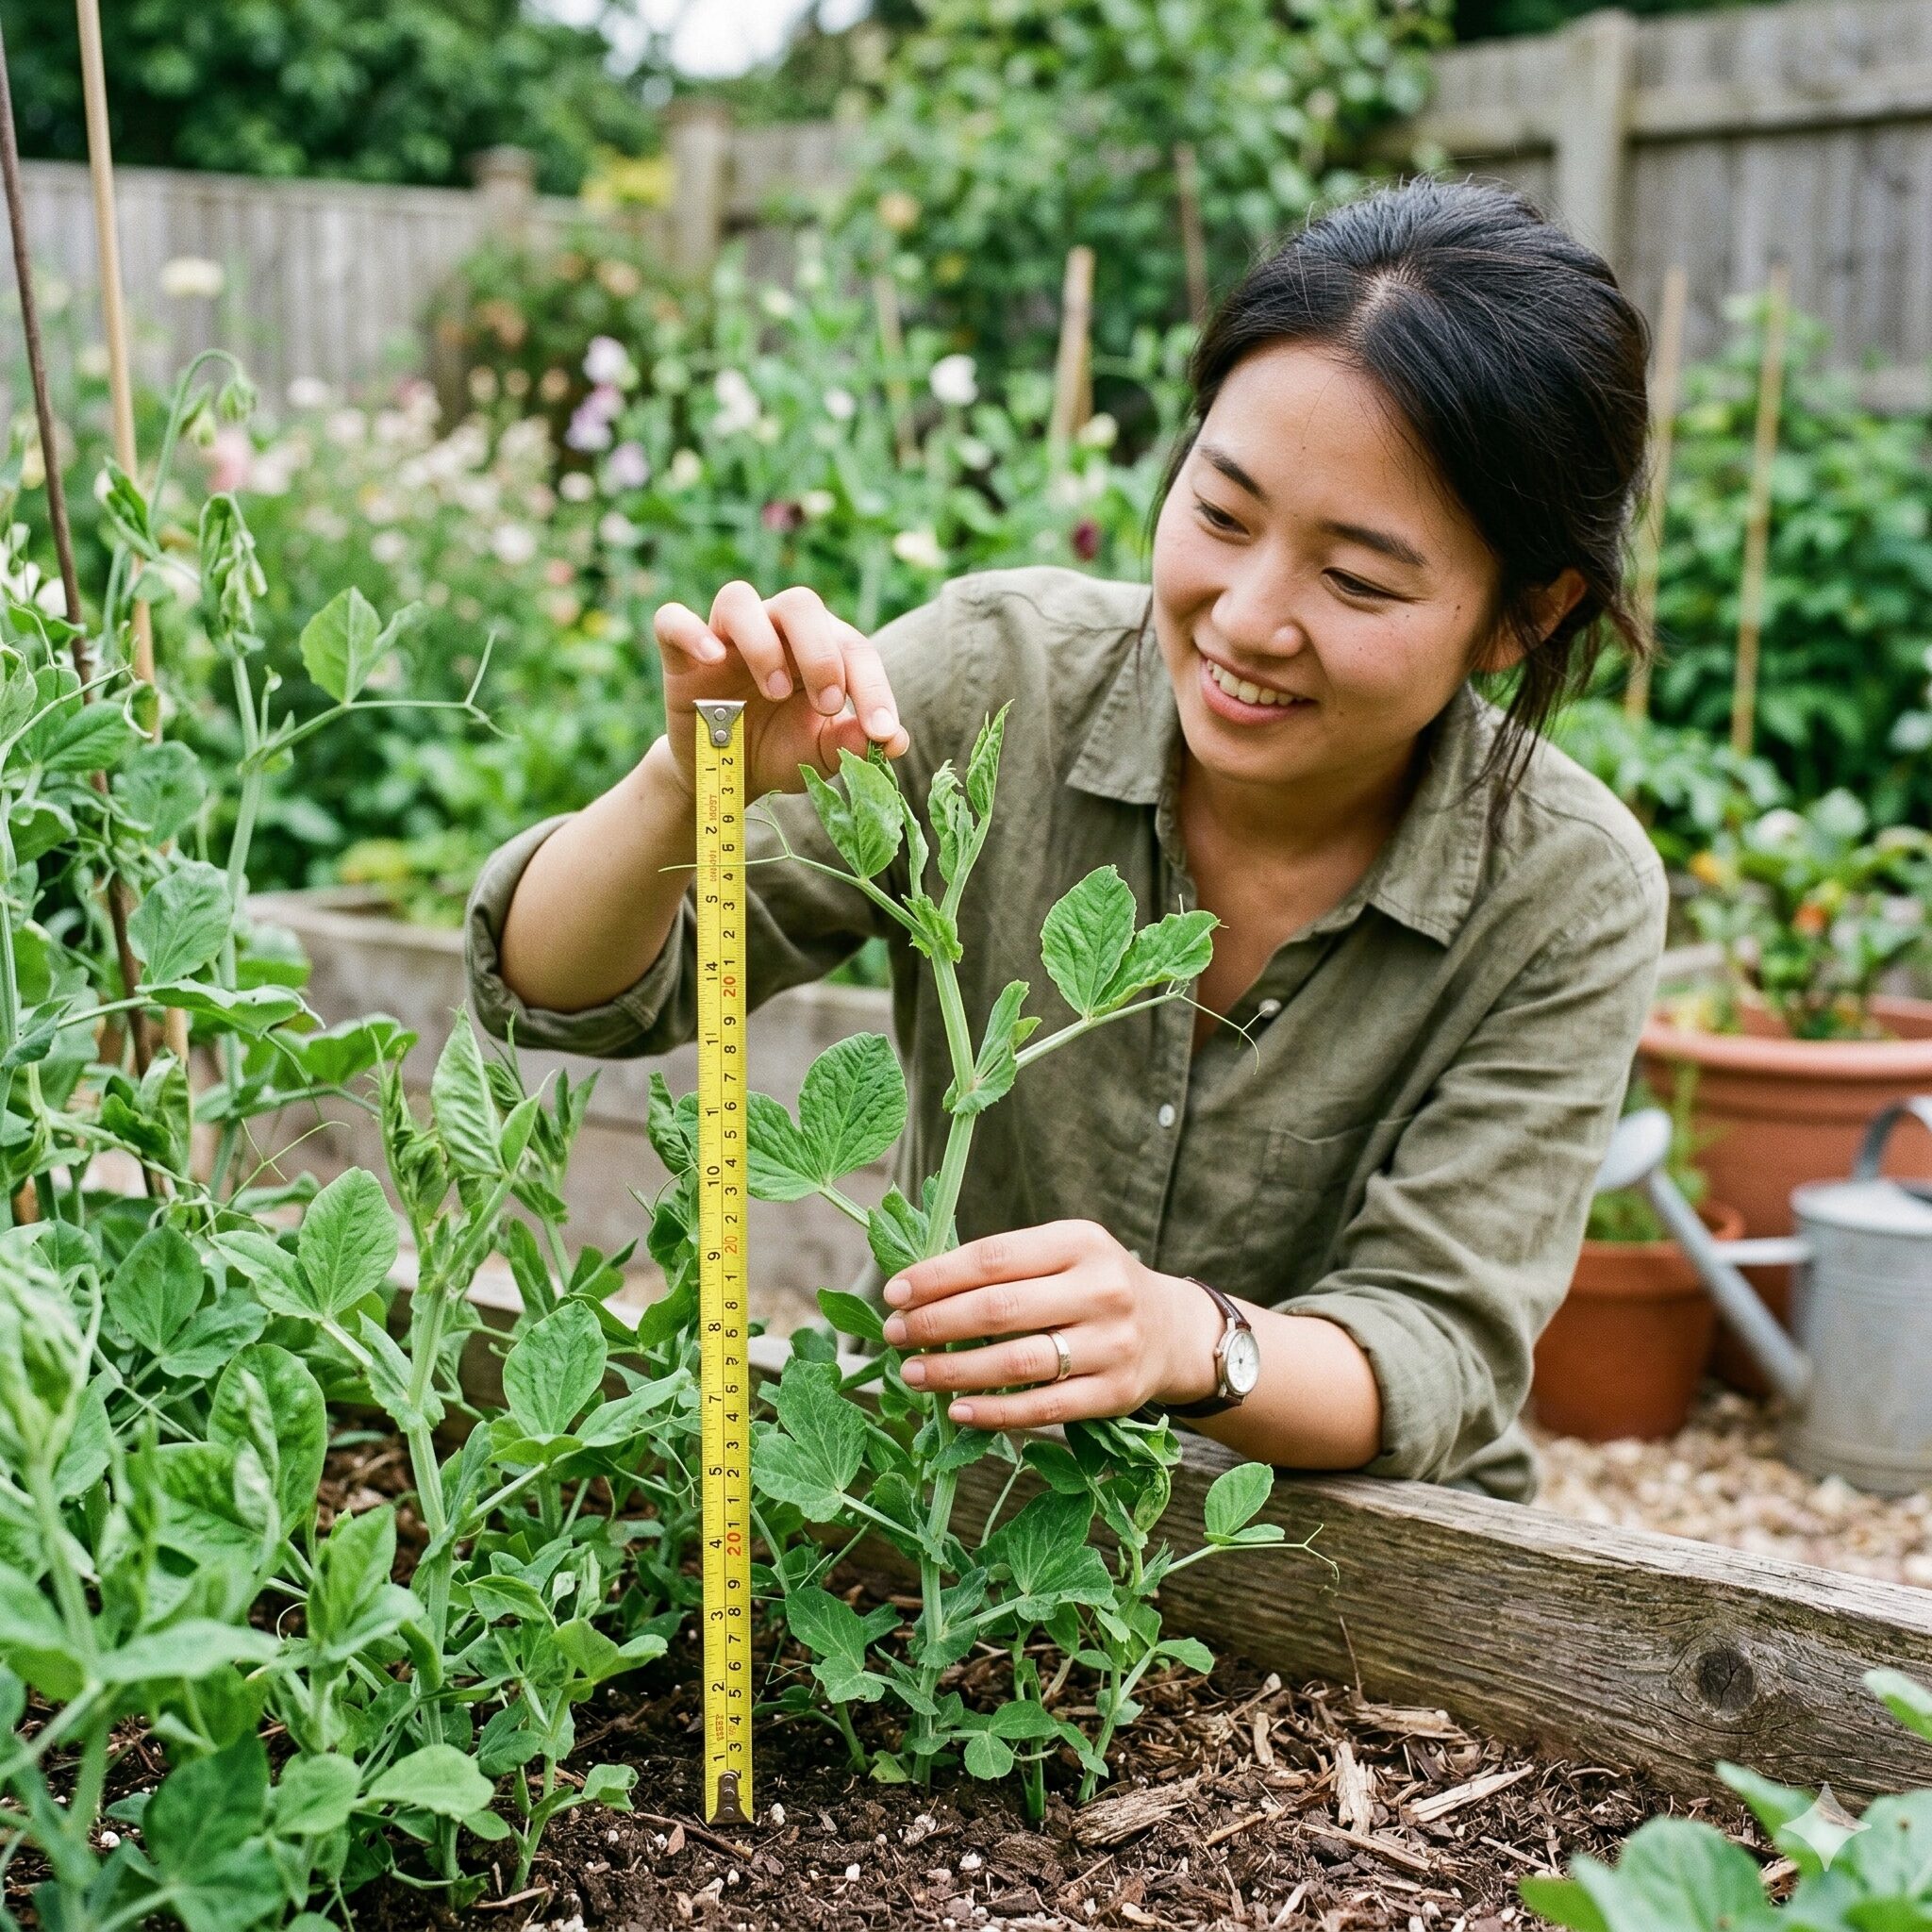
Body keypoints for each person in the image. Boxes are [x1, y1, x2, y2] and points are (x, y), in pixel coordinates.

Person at [465, 178, 1667, 1503]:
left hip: (1342, 1567)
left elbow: (1439, 1344)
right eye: (1219, 514)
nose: (1247, 617)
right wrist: (683, 780)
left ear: (1524, 618)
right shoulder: (997, 682)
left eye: (1357, 578)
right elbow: (564, 997)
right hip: (960, 1510)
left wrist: (1179, 1338)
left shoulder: (1568, 890)